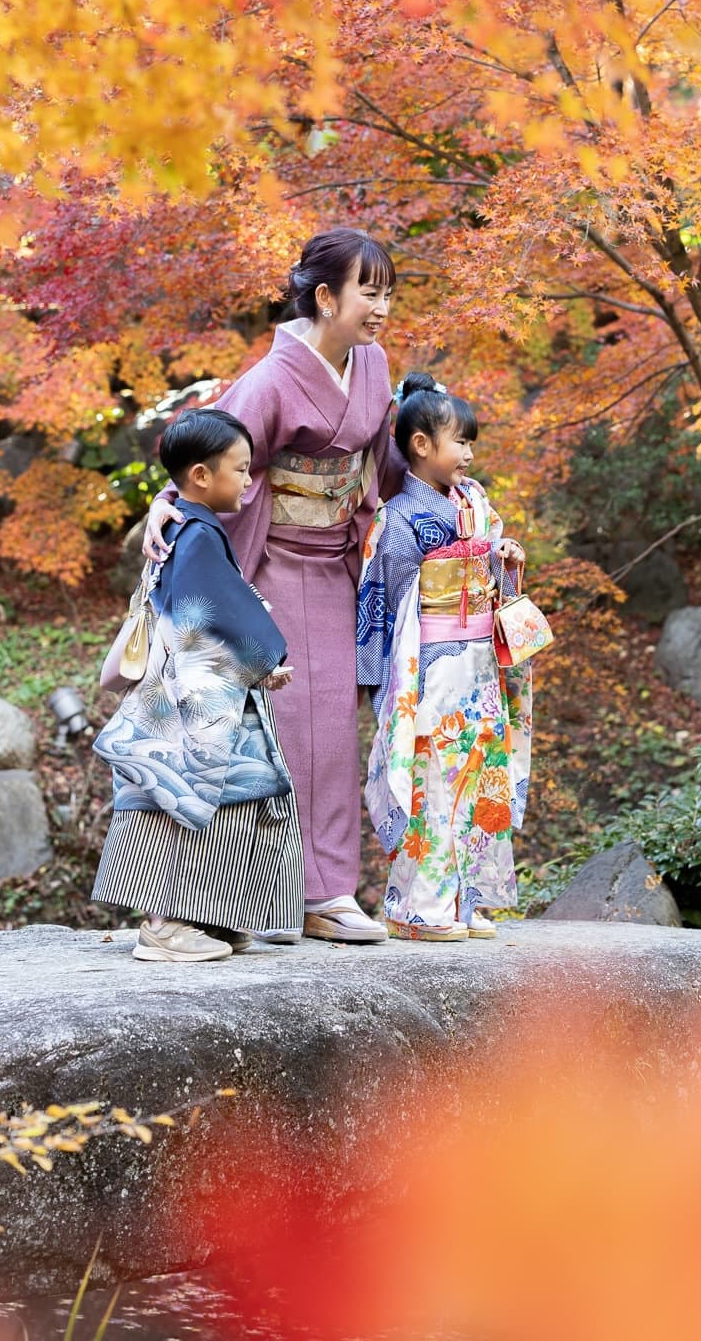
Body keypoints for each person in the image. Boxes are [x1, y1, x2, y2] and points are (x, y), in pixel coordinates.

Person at [143, 228, 405, 944]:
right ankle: (264, 896)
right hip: (270, 565)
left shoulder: (375, 367)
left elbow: (384, 465)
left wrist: (447, 491)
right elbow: (200, 457)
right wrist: (166, 506)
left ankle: (328, 892)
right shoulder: (269, 381)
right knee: (277, 731)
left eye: (388, 294)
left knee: (333, 733)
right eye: (369, 293)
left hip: (339, 563)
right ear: (325, 297)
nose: (381, 308)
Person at [92, 407, 302, 963]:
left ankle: (212, 915)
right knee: (186, 803)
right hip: (196, 697)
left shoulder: (186, 524)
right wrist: (264, 656)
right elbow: (217, 611)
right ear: (202, 476)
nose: (249, 481)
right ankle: (163, 924)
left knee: (225, 802)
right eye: (241, 469)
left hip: (199, 688)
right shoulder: (198, 534)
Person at [358, 372, 534, 942]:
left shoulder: (476, 503)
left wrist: (499, 556)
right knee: (433, 777)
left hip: (477, 663)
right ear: (421, 445)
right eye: (460, 441)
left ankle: (467, 900)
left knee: (481, 772)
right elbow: (386, 599)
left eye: (470, 442)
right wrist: (377, 679)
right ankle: (419, 906)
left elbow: (486, 572)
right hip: (428, 665)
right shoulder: (401, 517)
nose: (469, 453)